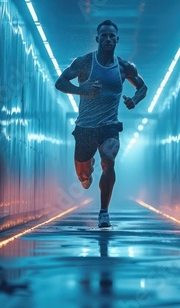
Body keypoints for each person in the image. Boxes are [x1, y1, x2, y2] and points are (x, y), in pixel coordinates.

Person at [55, 19, 147, 228]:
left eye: (111, 36)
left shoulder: (124, 67)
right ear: (97, 39)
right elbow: (60, 82)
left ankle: (104, 212)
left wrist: (134, 100)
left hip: (109, 126)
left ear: (117, 39)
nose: (107, 39)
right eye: (103, 35)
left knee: (109, 160)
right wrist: (82, 90)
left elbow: (142, 88)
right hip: (85, 127)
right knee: (84, 177)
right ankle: (87, 171)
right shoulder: (84, 62)